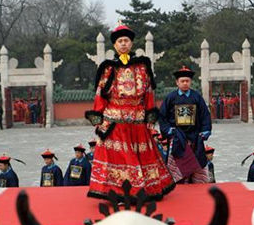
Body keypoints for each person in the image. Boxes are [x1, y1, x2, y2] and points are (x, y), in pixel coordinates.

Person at [85, 24, 174, 200]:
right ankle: (118, 192)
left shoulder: (142, 66)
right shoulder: (108, 68)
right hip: (114, 121)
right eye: (120, 41)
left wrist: (150, 115)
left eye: (126, 40)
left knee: (140, 155)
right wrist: (99, 118)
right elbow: (100, 94)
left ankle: (143, 190)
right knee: (120, 158)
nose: (123, 44)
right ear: (115, 45)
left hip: (138, 120)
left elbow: (149, 93)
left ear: (131, 43)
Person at [159, 65, 213, 184]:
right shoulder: (170, 98)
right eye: (182, 81)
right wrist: (169, 130)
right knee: (178, 165)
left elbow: (205, 114)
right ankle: (179, 184)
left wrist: (205, 130)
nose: (185, 83)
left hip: (194, 136)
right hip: (177, 136)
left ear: (190, 82)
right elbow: (162, 116)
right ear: (177, 82)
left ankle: (197, 185)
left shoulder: (196, 97)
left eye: (187, 81)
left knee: (197, 162)